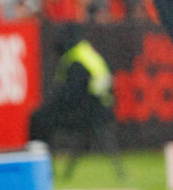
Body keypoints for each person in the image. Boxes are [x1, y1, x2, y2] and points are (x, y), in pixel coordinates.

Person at [29, 24, 123, 179]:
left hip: (90, 113)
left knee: (39, 119)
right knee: (44, 116)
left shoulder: (76, 60)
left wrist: (48, 107)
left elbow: (71, 95)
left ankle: (41, 169)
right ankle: (46, 169)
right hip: (102, 111)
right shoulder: (87, 54)